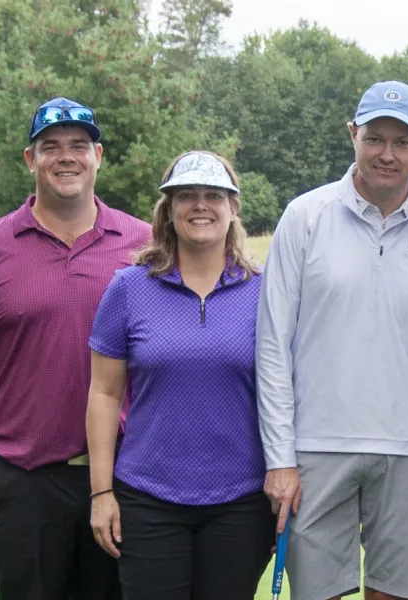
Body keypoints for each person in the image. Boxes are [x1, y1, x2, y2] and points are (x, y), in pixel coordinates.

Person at [256, 80, 408, 600]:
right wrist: (279, 457)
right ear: (352, 134)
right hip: (316, 447)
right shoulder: (304, 217)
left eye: (402, 142)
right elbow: (272, 345)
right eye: (375, 138)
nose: (387, 154)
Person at [0, 97, 150, 600]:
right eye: (50, 147)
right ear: (31, 161)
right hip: (24, 483)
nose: (66, 157)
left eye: (79, 145)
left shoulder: (144, 244)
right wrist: (11, 417)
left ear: (99, 155)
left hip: (128, 475)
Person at [84, 150, 273, 599]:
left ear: (233, 208)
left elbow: (285, 394)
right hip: (148, 498)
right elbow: (104, 395)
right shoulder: (129, 288)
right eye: (186, 196)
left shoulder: (265, 291)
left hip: (241, 500)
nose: (200, 205)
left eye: (214, 195)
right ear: (168, 210)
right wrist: (101, 493)